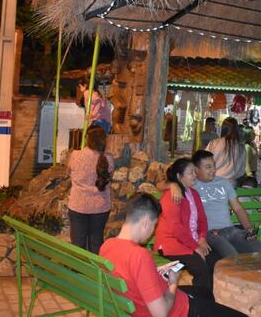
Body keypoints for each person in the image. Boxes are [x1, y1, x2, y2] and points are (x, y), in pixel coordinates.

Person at [99, 194, 247, 317]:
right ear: (145, 222)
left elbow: (129, 275)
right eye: (154, 225)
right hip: (181, 311)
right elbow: (161, 313)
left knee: (207, 293)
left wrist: (154, 273)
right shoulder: (139, 255)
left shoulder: (107, 246)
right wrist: (173, 283)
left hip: (145, 302)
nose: (153, 231)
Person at [186, 149, 261, 259]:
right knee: (232, 257)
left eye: (214, 165)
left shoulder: (223, 183)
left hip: (231, 230)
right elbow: (165, 183)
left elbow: (237, 208)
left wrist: (248, 228)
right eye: (208, 167)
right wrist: (174, 186)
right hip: (210, 233)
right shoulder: (190, 185)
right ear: (196, 169)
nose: (213, 170)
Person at [155, 158, 212, 297]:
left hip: (189, 242)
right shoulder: (172, 196)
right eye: (191, 172)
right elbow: (176, 229)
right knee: (201, 268)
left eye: (194, 171)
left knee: (214, 261)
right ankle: (198, 303)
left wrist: (202, 239)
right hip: (172, 244)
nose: (195, 175)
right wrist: (196, 247)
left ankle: (202, 298)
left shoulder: (194, 194)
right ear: (180, 177)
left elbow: (203, 221)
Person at [67, 125, 114, 254]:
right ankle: (95, 273)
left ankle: (78, 272)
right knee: (96, 242)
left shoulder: (75, 155)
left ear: (87, 138)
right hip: (101, 207)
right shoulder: (108, 159)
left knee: (78, 244)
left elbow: (69, 173)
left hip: (78, 206)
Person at [206, 117, 245, 187]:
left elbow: (204, 163)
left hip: (213, 183)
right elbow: (241, 172)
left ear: (223, 128)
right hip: (231, 185)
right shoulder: (241, 147)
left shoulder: (214, 143)